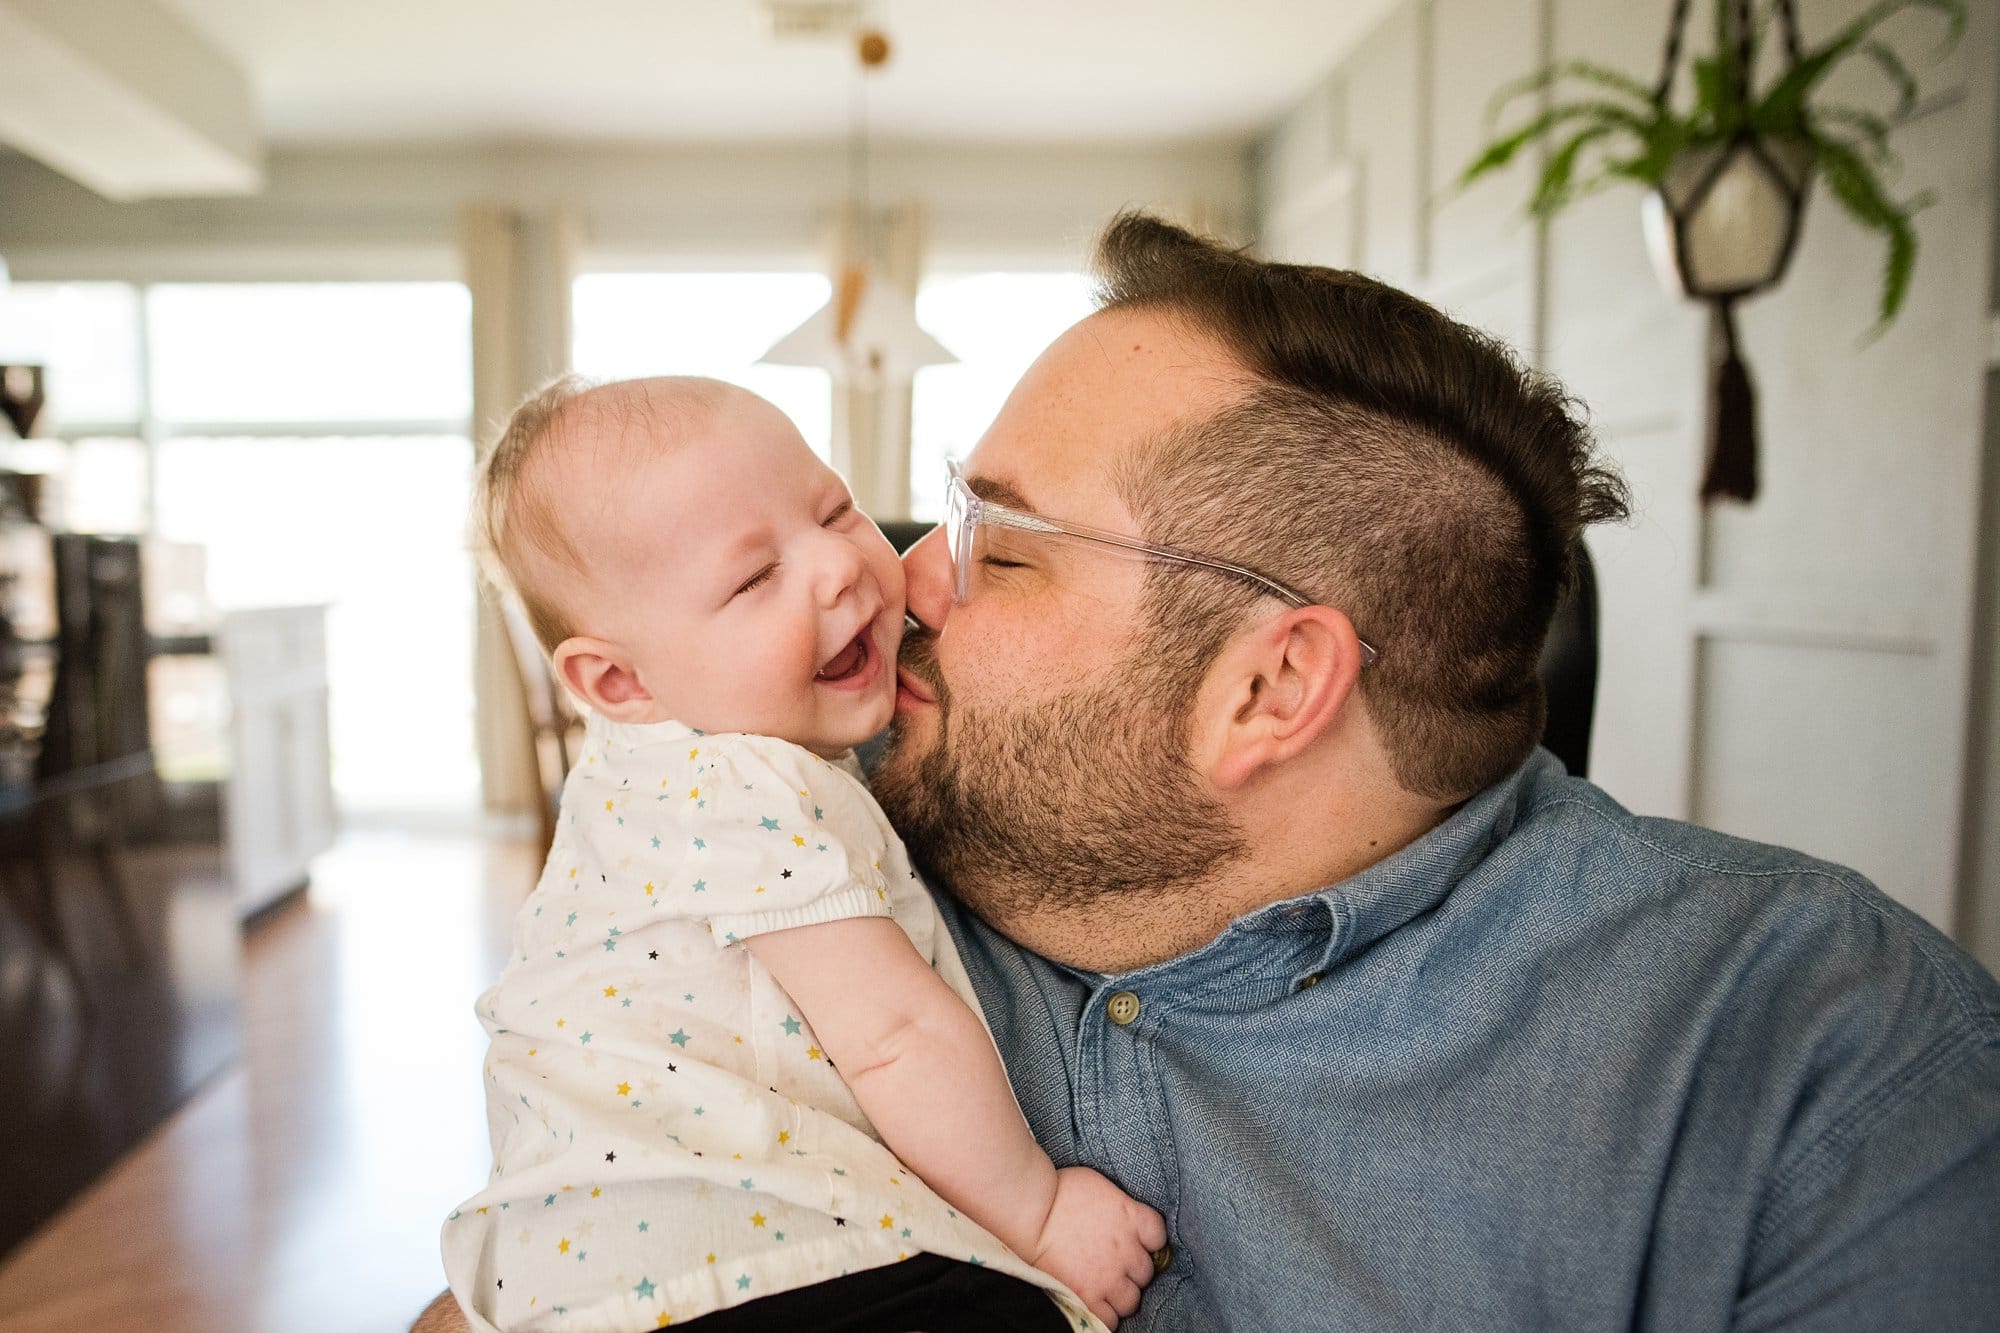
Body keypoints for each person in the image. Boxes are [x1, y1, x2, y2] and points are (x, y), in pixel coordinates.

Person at [863, 213, 2000, 1332]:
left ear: (1269, 690)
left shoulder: (1826, 1059)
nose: (900, 581)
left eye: (997, 548)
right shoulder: (772, 820)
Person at [438, 374, 1163, 1333]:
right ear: (618, 678)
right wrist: (1037, 1212)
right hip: (743, 1261)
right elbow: (895, 1034)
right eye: (752, 578)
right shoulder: (742, 786)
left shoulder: (639, 780)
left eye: (834, 508)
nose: (837, 569)